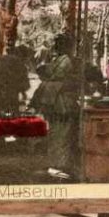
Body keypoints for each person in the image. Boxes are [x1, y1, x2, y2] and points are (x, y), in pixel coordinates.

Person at [29, 34, 81, 178]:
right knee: (63, 135)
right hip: (62, 102)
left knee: (57, 133)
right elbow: (58, 76)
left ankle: (57, 164)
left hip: (54, 101)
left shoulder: (58, 60)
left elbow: (44, 71)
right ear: (68, 47)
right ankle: (59, 165)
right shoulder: (66, 62)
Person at [0, 47, 31, 118]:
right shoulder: (19, 63)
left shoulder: (3, 59)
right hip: (4, 91)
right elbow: (23, 83)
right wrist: (23, 94)